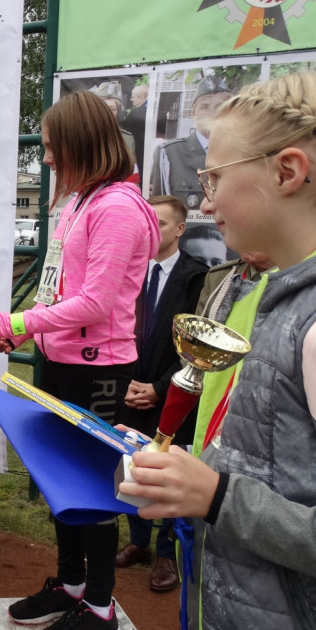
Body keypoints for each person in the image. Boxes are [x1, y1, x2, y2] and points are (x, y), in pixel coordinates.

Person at [120, 71, 316, 630]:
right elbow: (281, 464)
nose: (205, 201)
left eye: (214, 177)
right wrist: (191, 471)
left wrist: (218, 496)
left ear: (287, 172)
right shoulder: (283, 292)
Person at [0, 92, 160, 630]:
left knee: (94, 490)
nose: (45, 160)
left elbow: (95, 304)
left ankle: (100, 607)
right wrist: (12, 333)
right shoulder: (76, 203)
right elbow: (58, 292)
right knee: (61, 484)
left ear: (78, 145)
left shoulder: (118, 207)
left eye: (51, 149)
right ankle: (71, 583)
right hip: (62, 362)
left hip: (102, 371)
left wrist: (9, 317)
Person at [116, 196, 207, 593]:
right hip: (129, 389)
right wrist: (129, 386)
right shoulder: (127, 271)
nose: (153, 232)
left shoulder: (198, 277)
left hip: (173, 395)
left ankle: (167, 551)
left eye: (162, 224)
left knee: (171, 468)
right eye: (147, 224)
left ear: (180, 229)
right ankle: (138, 541)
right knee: (133, 462)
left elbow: (199, 346)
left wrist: (159, 388)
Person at [150, 74, 237, 266]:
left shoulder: (244, 153)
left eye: (220, 106)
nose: (212, 113)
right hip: (185, 257)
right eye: (205, 106)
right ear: (193, 112)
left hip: (231, 256)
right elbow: (160, 212)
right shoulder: (169, 154)